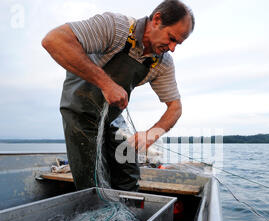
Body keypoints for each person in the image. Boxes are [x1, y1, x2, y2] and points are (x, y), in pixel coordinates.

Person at [42, 0, 194, 192]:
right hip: (80, 111)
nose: (172, 48)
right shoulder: (116, 27)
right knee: (91, 176)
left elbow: (175, 108)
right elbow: (54, 40)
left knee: (128, 165)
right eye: (171, 38)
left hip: (113, 116)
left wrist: (151, 134)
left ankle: (127, 216)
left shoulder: (162, 63)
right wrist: (106, 83)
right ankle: (96, 213)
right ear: (157, 20)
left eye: (177, 44)